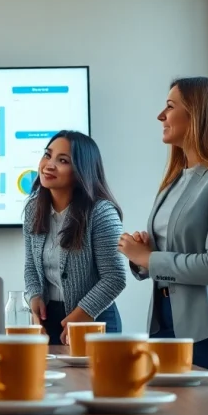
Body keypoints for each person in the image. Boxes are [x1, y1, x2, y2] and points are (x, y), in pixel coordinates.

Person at [119, 77, 208, 372]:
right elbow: (166, 254)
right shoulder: (176, 178)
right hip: (164, 323)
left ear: (199, 115)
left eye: (170, 107)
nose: (161, 116)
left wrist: (148, 258)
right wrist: (142, 257)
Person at [23, 130, 127, 345]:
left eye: (63, 160)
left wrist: (81, 315)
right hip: (48, 321)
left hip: (94, 320)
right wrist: (34, 297)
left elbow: (115, 278)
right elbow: (31, 266)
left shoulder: (101, 212)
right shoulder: (34, 209)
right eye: (47, 155)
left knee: (89, 379)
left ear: (81, 170)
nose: (49, 165)